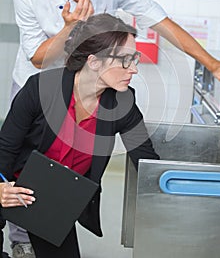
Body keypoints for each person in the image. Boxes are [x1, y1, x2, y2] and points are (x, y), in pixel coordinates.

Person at [10, 0, 220, 256]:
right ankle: (20, 241)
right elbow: (40, 59)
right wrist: (70, 27)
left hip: (90, 84)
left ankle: (53, 224)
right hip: (40, 81)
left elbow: (160, 20)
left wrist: (212, 62)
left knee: (66, 170)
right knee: (25, 161)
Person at [0, 14, 160, 258]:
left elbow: (146, 159)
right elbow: (5, 148)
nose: (135, 69)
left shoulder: (122, 103)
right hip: (13, 187)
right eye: (126, 60)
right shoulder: (40, 89)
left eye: (134, 59)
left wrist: (179, 192)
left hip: (54, 200)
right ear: (94, 62)